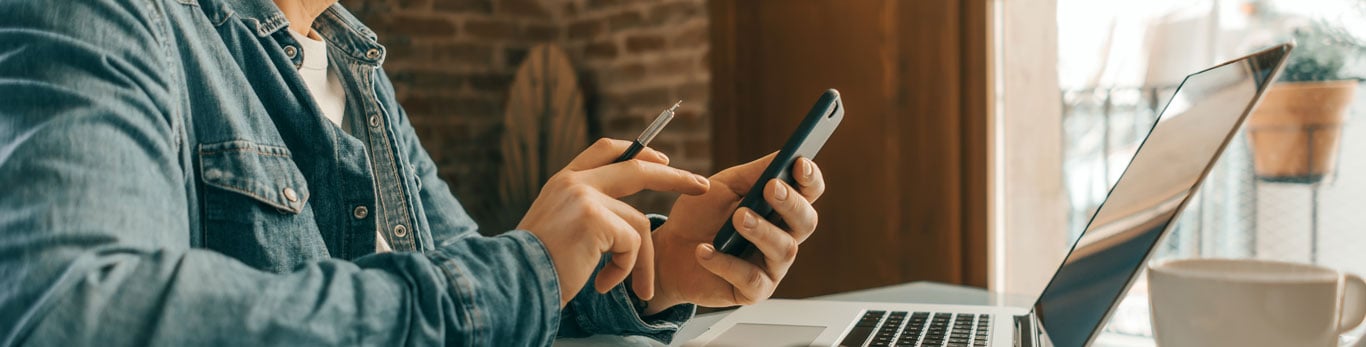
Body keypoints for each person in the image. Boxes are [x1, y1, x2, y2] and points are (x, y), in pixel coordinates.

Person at [0, 0, 826, 345]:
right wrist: (518, 269)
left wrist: (654, 267)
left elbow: (472, 293)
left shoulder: (354, 65)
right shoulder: (117, 18)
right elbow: (77, 313)